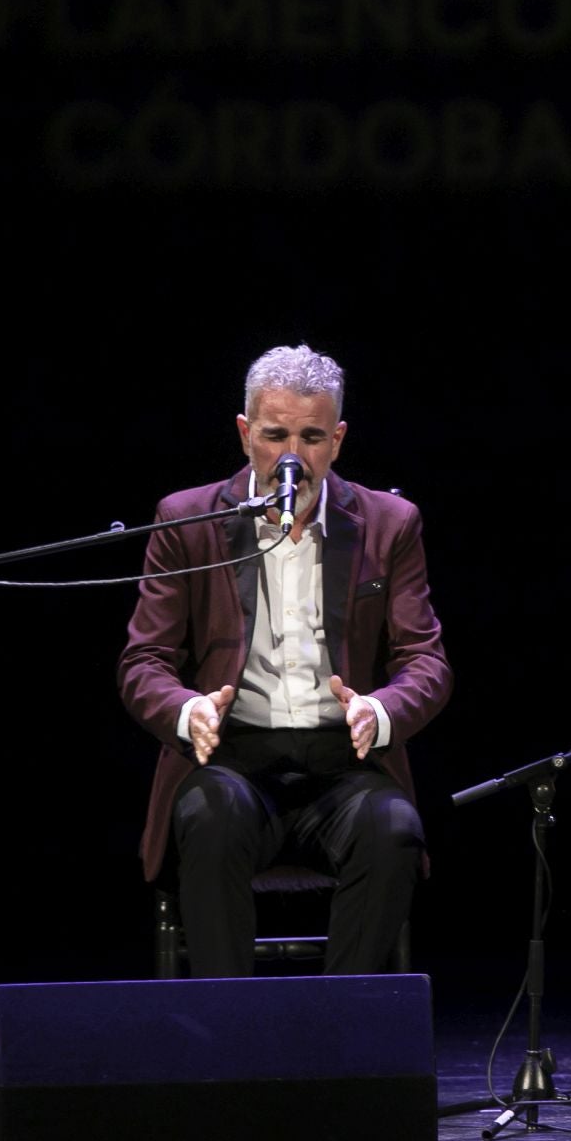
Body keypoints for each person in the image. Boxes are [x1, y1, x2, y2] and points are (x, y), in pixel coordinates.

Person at [119, 344, 452, 976]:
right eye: (275, 435)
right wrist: (188, 709)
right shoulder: (185, 520)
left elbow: (425, 661)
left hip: (345, 764)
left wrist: (380, 709)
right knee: (209, 824)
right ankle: (232, 1040)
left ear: (339, 439)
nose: (292, 455)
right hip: (233, 760)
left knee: (394, 833)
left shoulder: (390, 523)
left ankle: (337, 1032)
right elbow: (144, 660)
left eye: (312, 436)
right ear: (246, 434)